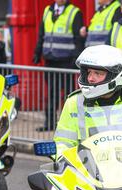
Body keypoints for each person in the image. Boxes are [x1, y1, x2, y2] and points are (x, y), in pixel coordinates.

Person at [33, 0, 84, 132]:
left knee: (69, 95)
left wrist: (76, 59)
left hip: (67, 61)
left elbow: (78, 38)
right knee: (51, 94)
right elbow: (41, 34)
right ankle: (49, 123)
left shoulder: (74, 12)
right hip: (50, 60)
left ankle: (70, 125)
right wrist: (37, 53)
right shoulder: (47, 10)